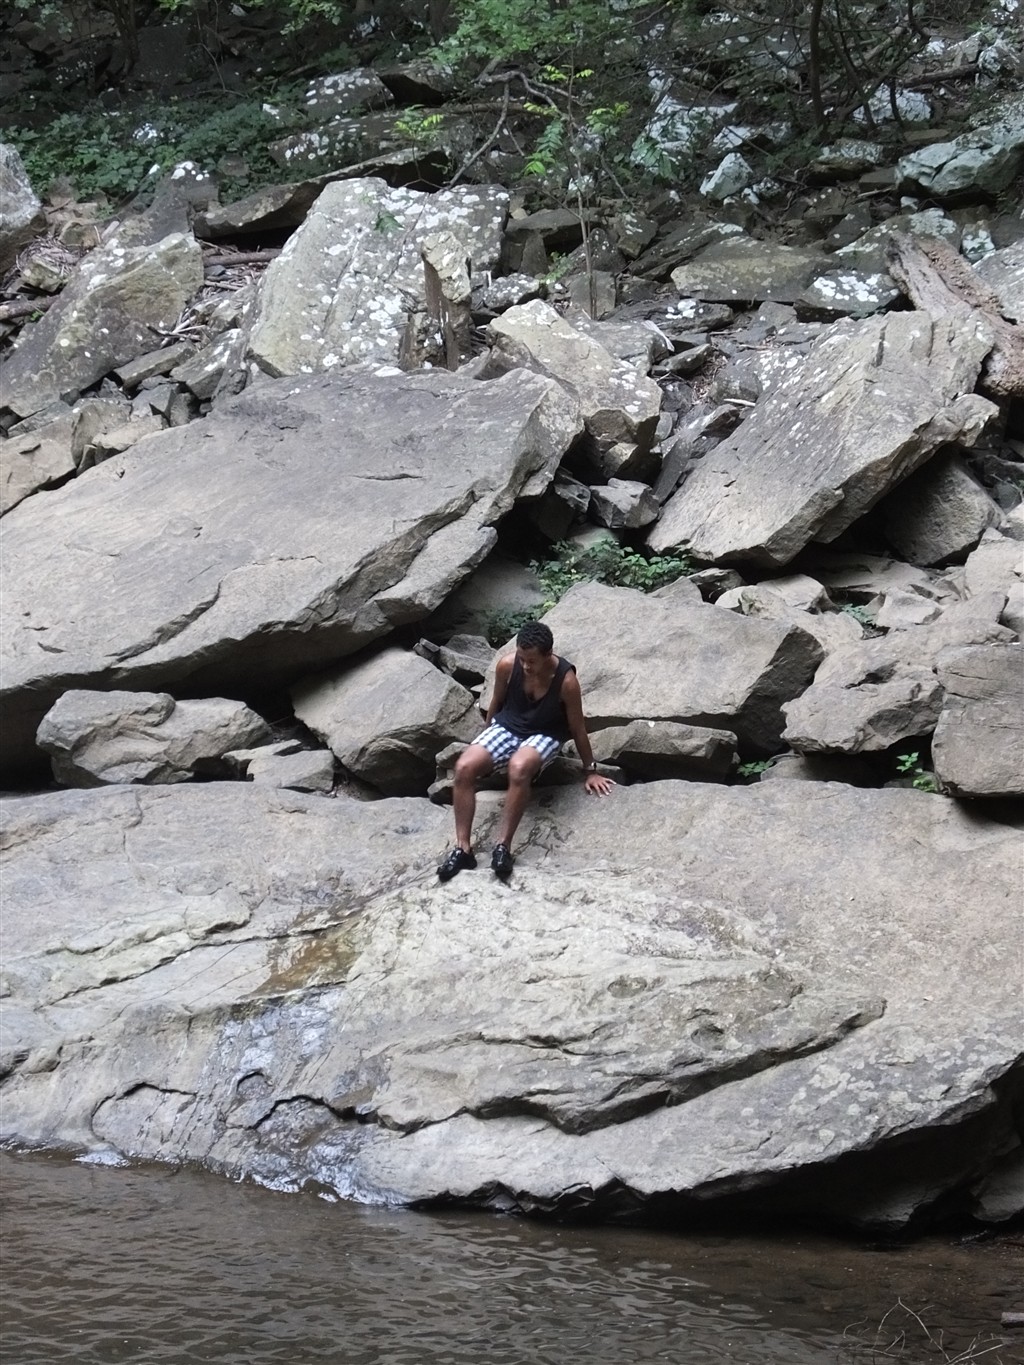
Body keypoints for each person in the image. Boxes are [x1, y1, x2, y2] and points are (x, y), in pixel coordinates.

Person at [437, 620, 614, 882]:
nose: (526, 666)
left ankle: (503, 847)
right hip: (507, 726)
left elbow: (577, 727)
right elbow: (496, 702)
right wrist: (484, 740)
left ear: (548, 654)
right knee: (464, 766)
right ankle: (463, 849)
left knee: (518, 768)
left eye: (531, 661)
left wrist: (590, 770)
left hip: (544, 734)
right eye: (522, 659)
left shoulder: (566, 681)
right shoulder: (507, 666)